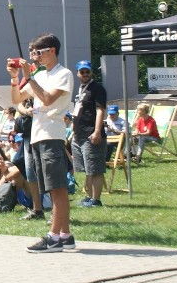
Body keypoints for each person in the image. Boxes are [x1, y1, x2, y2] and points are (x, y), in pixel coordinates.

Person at [8, 33, 75, 253]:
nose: (34, 56)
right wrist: (15, 77)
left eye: (38, 52)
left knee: (57, 188)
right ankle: (65, 235)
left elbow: (47, 99)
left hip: (52, 134)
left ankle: (54, 237)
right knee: (51, 188)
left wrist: (31, 77)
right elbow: (17, 99)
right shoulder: (40, 74)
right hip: (38, 134)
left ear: (51, 51)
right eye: (33, 53)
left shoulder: (63, 74)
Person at [71, 60, 107, 208]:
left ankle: (96, 200)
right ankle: (89, 196)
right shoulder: (81, 89)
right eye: (82, 72)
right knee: (87, 168)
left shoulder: (97, 88)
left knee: (95, 168)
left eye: (87, 71)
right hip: (79, 134)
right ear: (78, 73)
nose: (85, 74)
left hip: (91, 134)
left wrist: (97, 131)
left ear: (91, 72)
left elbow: (100, 110)